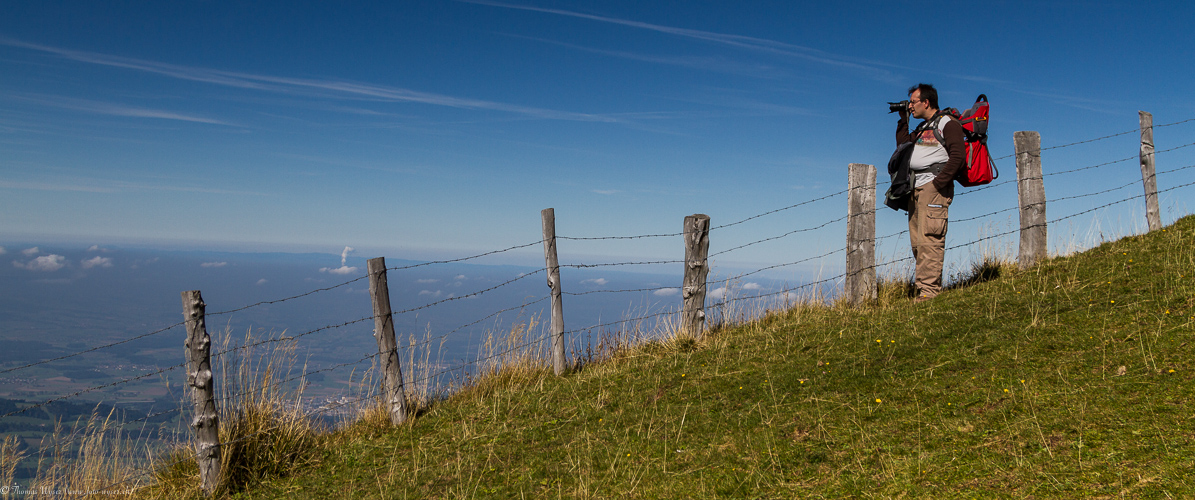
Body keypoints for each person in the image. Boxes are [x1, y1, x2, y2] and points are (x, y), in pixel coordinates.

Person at [896, 83, 966, 302]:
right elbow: (902, 148)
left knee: (930, 241)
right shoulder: (923, 128)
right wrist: (903, 119)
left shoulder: (947, 124)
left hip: (933, 188)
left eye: (914, 102)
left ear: (926, 102)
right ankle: (923, 290)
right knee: (918, 242)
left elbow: (958, 157)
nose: (911, 106)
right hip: (916, 189)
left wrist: (936, 185)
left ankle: (929, 293)